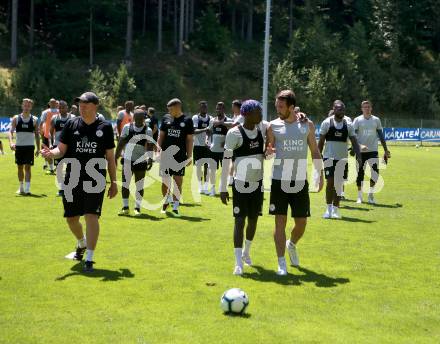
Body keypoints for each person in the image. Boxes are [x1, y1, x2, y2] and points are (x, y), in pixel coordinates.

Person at [41, 92, 117, 273]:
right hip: (72, 176)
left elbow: (110, 157)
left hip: (95, 178)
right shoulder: (71, 124)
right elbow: (61, 148)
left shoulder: (105, 127)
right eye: (80, 105)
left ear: (95, 106)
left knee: (91, 215)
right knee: (71, 218)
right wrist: (52, 153)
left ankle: (89, 258)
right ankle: (81, 242)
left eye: (85, 104)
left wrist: (113, 182)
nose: (81, 108)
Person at [266, 90, 324, 276]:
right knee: (280, 222)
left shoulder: (306, 124)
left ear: (291, 107)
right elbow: (268, 149)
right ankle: (281, 262)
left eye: (281, 106)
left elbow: (315, 151)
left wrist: (320, 173)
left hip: (300, 180)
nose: (278, 109)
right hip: (279, 180)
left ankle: (292, 245)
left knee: (301, 223)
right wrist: (268, 152)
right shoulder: (272, 126)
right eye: (276, 105)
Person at [219, 100, 265, 275]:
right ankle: (238, 262)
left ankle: (246, 252)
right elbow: (226, 161)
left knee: (253, 220)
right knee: (239, 221)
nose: (261, 115)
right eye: (258, 112)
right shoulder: (234, 133)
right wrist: (223, 187)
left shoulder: (261, 130)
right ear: (247, 114)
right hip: (240, 184)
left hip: (257, 184)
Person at [318, 100, 361, 219]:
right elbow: (321, 142)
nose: (341, 111)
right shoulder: (327, 123)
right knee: (330, 183)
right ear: (334, 109)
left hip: (342, 159)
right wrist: (317, 157)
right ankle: (328, 209)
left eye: (342, 109)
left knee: (338, 184)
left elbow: (354, 142)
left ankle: (336, 210)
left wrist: (359, 156)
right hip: (329, 157)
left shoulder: (348, 125)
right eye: (338, 109)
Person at [157, 98, 194, 217]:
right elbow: (161, 136)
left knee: (178, 182)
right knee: (165, 182)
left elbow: (189, 140)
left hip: (180, 156)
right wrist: (158, 151)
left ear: (178, 107)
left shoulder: (187, 120)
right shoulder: (166, 118)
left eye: (171, 109)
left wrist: (189, 156)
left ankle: (176, 207)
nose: (169, 111)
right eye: (168, 109)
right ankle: (166, 202)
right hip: (166, 155)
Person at [115, 109, 154, 216]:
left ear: (143, 118)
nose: (139, 119)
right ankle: (125, 207)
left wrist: (150, 159)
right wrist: (116, 156)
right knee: (125, 184)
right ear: (134, 118)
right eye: (137, 117)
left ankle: (137, 208)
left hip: (141, 160)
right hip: (127, 159)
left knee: (139, 185)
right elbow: (121, 142)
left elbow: (150, 146)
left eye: (141, 118)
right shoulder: (127, 127)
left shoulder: (148, 130)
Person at [353, 100, 391, 204]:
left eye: (368, 107)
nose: (367, 109)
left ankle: (370, 195)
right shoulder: (357, 120)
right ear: (362, 109)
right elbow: (353, 137)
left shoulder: (376, 120)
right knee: (360, 173)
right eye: (365, 107)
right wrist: (360, 146)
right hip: (360, 151)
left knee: (375, 174)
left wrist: (386, 149)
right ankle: (360, 196)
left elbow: (381, 136)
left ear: (371, 108)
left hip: (373, 150)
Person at [8, 98, 40, 195]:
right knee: (19, 167)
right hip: (19, 147)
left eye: (28, 105)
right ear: (22, 106)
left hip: (30, 147)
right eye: (25, 105)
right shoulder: (16, 118)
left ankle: (27, 189)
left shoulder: (34, 119)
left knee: (28, 168)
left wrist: (38, 148)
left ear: (31, 107)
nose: (26, 107)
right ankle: (21, 187)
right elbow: (10, 131)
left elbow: (37, 135)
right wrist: (11, 143)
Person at [50, 100, 75, 196]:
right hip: (58, 146)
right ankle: (61, 188)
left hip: (70, 146)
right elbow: (50, 132)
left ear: (67, 107)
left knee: (70, 167)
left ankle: (69, 187)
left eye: (63, 107)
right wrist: (52, 143)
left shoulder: (72, 118)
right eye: (59, 107)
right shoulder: (55, 118)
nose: (61, 109)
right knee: (59, 168)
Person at [207, 102, 231, 196]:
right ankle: (212, 189)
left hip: (224, 150)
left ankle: (223, 189)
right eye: (217, 108)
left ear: (224, 109)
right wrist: (207, 140)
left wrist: (226, 142)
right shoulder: (212, 120)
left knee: (225, 171)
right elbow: (209, 132)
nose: (218, 110)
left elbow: (231, 133)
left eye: (220, 108)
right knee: (212, 170)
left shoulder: (229, 120)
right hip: (213, 150)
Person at [192, 101, 212, 194]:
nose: (204, 109)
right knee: (198, 167)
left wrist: (207, 141)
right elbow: (194, 131)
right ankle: (200, 186)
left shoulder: (210, 118)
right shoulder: (195, 118)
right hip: (197, 146)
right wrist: (205, 129)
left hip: (207, 147)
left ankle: (206, 187)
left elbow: (210, 131)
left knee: (207, 167)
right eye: (202, 107)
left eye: (205, 107)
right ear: (199, 108)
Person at [39, 98, 59, 174]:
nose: (53, 104)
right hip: (47, 134)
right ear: (49, 103)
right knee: (47, 151)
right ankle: (51, 169)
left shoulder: (59, 112)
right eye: (52, 102)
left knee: (58, 152)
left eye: (54, 102)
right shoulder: (45, 112)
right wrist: (41, 131)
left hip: (57, 135)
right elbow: (41, 123)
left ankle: (57, 168)